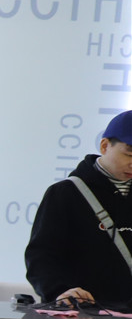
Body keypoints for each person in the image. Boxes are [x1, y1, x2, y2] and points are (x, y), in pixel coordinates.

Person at [25, 109, 132, 307]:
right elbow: (41, 256)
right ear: (104, 145)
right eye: (129, 154)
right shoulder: (66, 193)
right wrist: (59, 291)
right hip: (80, 312)